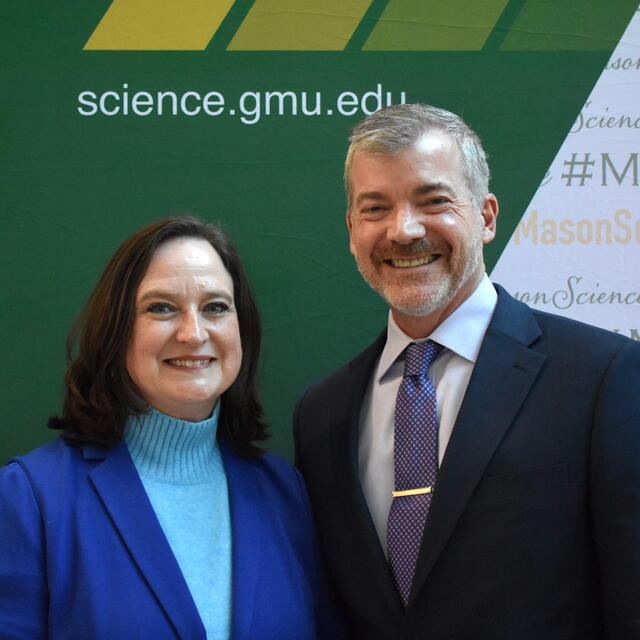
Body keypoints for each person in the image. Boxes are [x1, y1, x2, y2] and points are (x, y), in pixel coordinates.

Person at [293, 104, 640, 639]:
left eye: (433, 201)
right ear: (351, 228)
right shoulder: (321, 414)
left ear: (486, 216)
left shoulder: (603, 377)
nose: (403, 230)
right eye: (375, 208)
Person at [0, 216, 343, 640]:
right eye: (161, 307)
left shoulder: (284, 492)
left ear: (242, 329)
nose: (193, 333)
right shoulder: (28, 497)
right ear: (117, 330)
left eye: (216, 307)